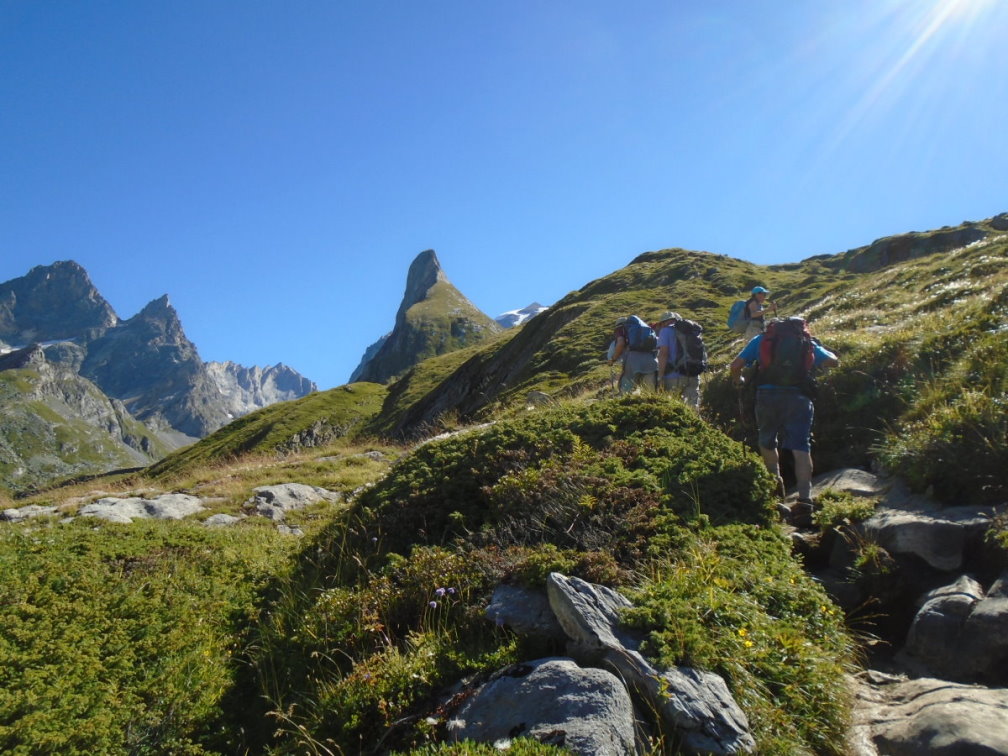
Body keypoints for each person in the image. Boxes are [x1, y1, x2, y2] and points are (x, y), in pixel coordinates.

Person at [729, 317, 838, 522]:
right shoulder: (807, 342)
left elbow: (735, 365)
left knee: (767, 440)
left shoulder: (762, 340)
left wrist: (739, 380)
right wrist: (824, 349)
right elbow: (833, 362)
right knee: (801, 446)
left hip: (767, 396)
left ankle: (776, 486)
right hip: (799, 397)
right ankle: (805, 500)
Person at [655, 311, 701, 409]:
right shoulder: (691, 331)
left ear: (663, 323)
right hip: (693, 375)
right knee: (692, 408)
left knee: (673, 410)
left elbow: (663, 354)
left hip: (673, 377)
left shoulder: (665, 331)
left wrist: (660, 377)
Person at [607, 316, 658, 394]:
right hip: (651, 362)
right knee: (650, 394)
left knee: (625, 391)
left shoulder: (621, 329)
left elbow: (621, 343)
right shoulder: (641, 331)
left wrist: (613, 359)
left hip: (633, 362)